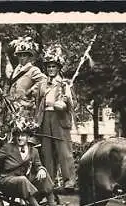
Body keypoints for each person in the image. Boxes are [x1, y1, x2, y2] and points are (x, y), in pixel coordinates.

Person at [0, 125, 68, 206]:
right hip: (7, 179)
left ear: (28, 137)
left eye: (23, 135)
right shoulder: (8, 147)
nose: (20, 138)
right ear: (15, 137)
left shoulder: (34, 151)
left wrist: (41, 169)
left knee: (44, 173)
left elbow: (38, 165)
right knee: (22, 180)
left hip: (25, 180)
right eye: (17, 135)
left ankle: (52, 203)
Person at [35, 44, 77, 191]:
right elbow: (38, 103)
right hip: (45, 117)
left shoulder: (65, 84)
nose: (51, 69)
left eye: (53, 66)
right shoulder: (42, 84)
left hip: (60, 118)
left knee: (63, 149)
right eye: (48, 67)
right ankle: (49, 180)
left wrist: (65, 102)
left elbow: (74, 104)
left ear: (58, 68)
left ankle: (69, 180)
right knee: (47, 151)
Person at [7, 36, 46, 102]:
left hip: (25, 106)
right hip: (13, 105)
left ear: (29, 57)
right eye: (20, 55)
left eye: (24, 55)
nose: (22, 58)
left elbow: (44, 81)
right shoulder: (15, 70)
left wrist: (32, 90)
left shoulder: (33, 70)